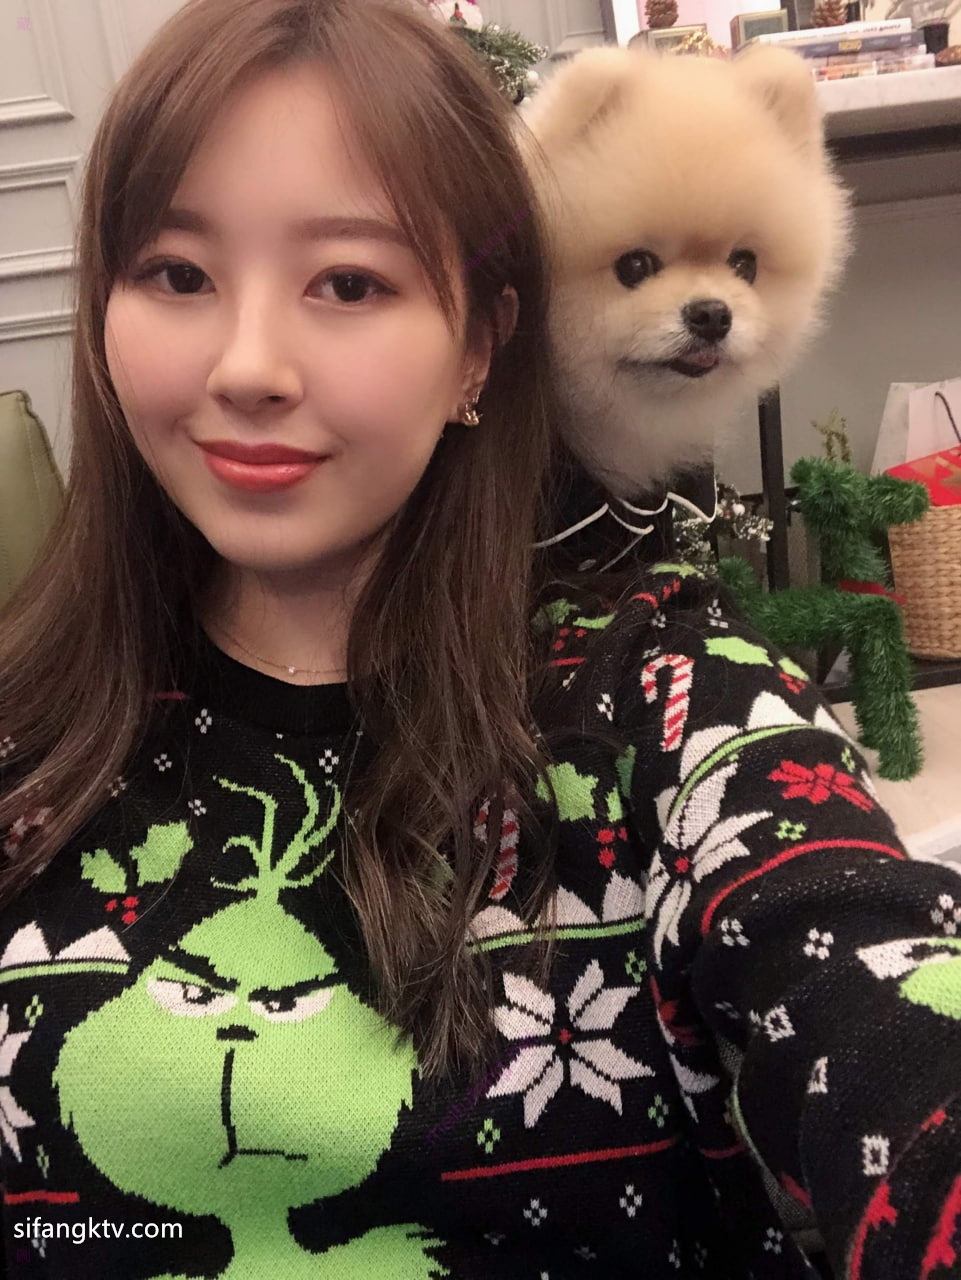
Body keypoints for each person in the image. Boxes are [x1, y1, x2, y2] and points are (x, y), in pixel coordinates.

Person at [0, 1, 958, 1276]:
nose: (247, 366)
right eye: (178, 274)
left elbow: (877, 987)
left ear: (478, 347)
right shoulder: (31, 734)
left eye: (349, 282)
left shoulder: (672, 703)